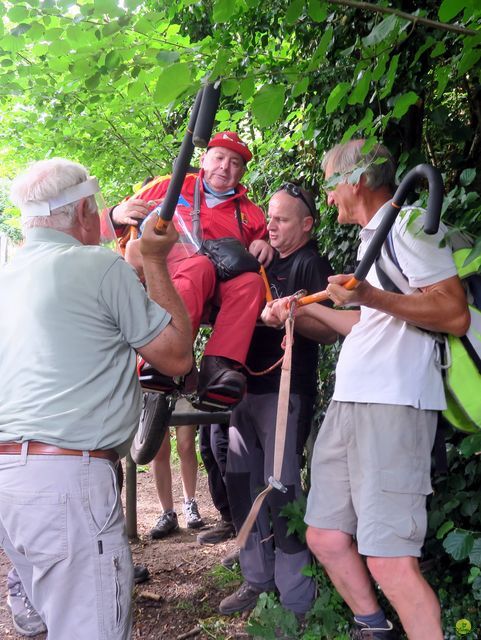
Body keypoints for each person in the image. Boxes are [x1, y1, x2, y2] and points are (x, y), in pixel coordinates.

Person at [263, 141, 470, 639]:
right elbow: (369, 324)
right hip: (352, 399)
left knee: (389, 559)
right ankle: (374, 629)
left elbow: (453, 313)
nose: (328, 198)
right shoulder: (373, 236)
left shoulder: (410, 226)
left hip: (395, 403)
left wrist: (371, 294)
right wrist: (303, 309)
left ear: (355, 181)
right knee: (326, 535)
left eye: (331, 185)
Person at [0, 158, 192, 639]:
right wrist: (154, 259)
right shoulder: (98, 265)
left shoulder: (9, 273)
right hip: (68, 479)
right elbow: (175, 357)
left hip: (13, 479)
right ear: (85, 210)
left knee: (51, 619)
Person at [219, 184, 337, 618]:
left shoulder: (310, 263)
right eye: (270, 216)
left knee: (281, 491)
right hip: (245, 389)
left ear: (306, 225)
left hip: (285, 395)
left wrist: (295, 312)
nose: (271, 224)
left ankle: (296, 602)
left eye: (282, 219)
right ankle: (257, 578)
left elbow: (329, 331)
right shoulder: (261, 259)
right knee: (240, 483)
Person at [109, 131, 271, 410]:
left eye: (234, 163)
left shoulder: (251, 212)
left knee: (250, 284)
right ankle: (162, 358)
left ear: (242, 173)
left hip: (220, 284)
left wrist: (263, 243)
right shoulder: (169, 187)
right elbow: (114, 221)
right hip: (167, 275)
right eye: (219, 157)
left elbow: (263, 247)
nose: (225, 167)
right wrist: (117, 213)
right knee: (200, 266)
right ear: (204, 159)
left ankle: (219, 368)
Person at [150, 424, 204, 538]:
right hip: (156, 406)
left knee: (187, 446)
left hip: (184, 405)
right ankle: (168, 514)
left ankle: (190, 503)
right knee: (159, 449)